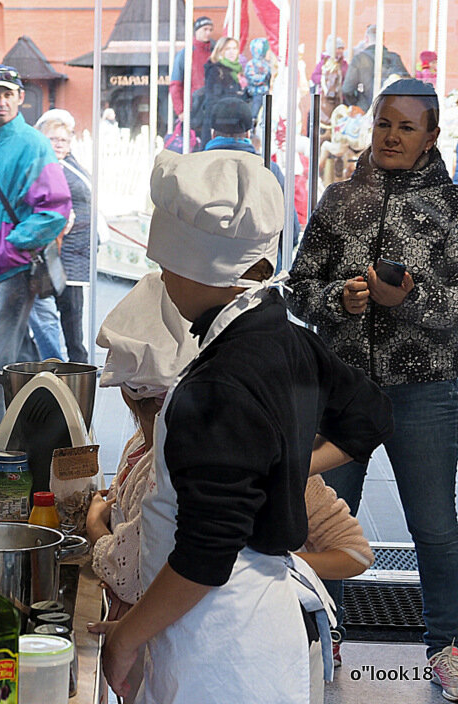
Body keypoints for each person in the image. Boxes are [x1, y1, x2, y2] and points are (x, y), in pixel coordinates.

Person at [87, 149, 393, 703]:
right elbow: (367, 415)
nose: (163, 281)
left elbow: (206, 555)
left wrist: (126, 640)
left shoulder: (215, 385)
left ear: (194, 269)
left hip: (217, 650)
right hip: (252, 628)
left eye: (164, 268)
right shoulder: (287, 337)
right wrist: (288, 461)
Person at [288, 78, 458, 698]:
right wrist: (341, 298)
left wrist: (408, 299)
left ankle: (447, 648)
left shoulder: (451, 208)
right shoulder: (338, 200)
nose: (390, 136)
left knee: (436, 529)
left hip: (427, 393)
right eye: (384, 123)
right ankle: (320, 637)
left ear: (431, 136)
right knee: (324, 523)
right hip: (340, 393)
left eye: (406, 127)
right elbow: (297, 287)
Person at [0, 64, 72, 421]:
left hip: (15, 267)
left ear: (20, 99)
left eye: (7, 94)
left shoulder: (31, 144)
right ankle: (32, 424)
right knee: (18, 352)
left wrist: (12, 247)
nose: (0, 101)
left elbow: (56, 207)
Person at [34, 109, 92, 363]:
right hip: (58, 255)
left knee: (71, 321)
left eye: (64, 140)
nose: (59, 144)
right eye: (53, 139)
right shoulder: (46, 168)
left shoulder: (69, 163)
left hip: (75, 255)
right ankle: (64, 368)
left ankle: (74, 369)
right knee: (57, 319)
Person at [204, 97, 300, 248]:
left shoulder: (194, 168)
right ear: (248, 134)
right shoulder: (269, 170)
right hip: (260, 268)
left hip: (203, 268)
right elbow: (291, 233)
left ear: (213, 133)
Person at [342, 25, 409, 111]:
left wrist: (358, 104)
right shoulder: (395, 58)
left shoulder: (358, 59)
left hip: (366, 109)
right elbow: (408, 84)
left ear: (366, 38)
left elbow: (347, 89)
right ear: (383, 39)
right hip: (392, 110)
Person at [196, 36, 246, 148]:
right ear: (220, 51)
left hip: (234, 124)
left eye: (234, 48)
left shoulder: (237, 71)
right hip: (219, 125)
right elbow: (213, 99)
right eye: (227, 49)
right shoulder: (216, 70)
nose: (232, 52)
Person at [169, 16, 214, 119]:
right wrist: (180, 111)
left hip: (211, 106)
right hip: (193, 108)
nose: (208, 33)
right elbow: (175, 84)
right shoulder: (185, 54)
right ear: (197, 31)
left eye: (210, 30)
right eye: (205, 29)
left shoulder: (214, 52)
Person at [243, 37, 272, 122]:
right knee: (255, 107)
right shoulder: (251, 64)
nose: (269, 53)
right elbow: (251, 77)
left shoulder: (267, 64)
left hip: (266, 92)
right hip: (256, 93)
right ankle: (252, 121)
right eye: (267, 51)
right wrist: (263, 78)